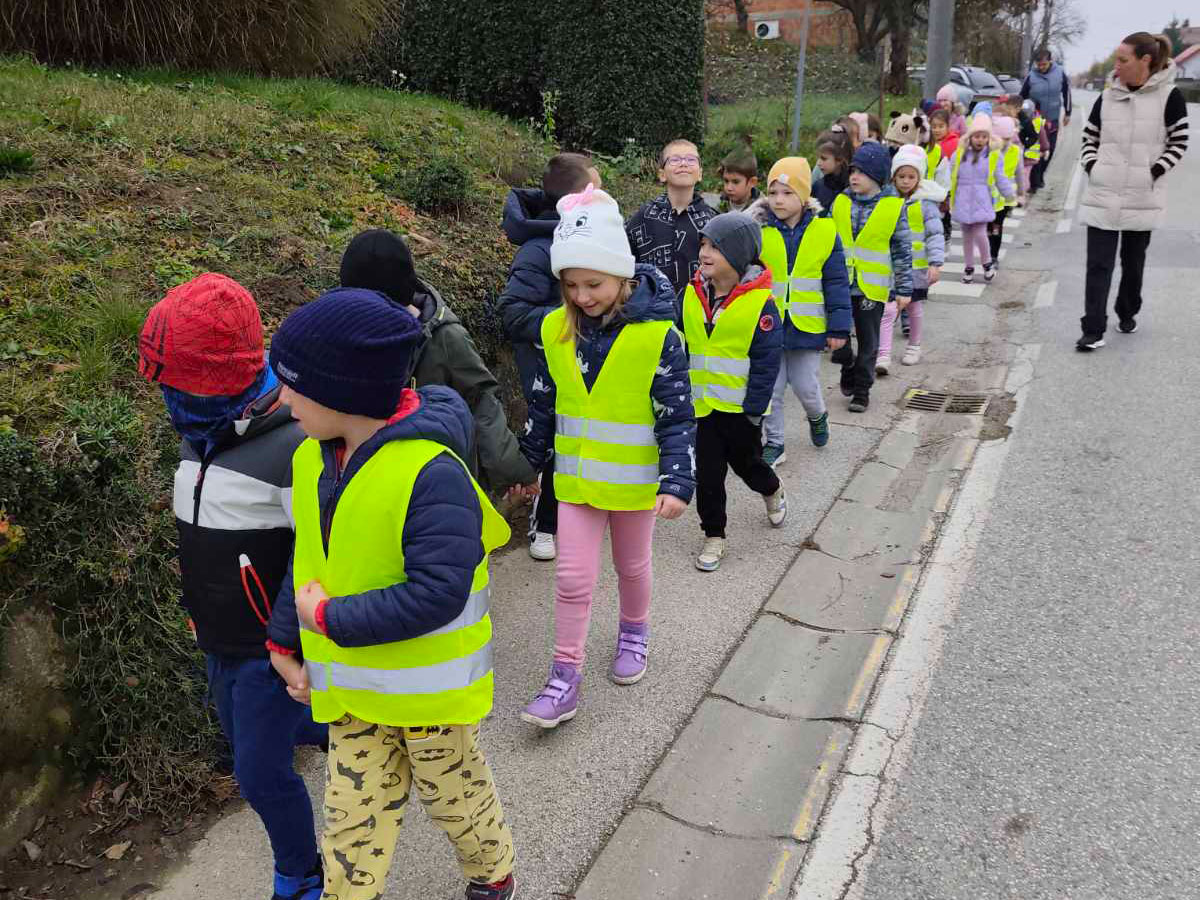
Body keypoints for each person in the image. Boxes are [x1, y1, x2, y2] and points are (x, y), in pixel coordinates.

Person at [266, 288, 517, 900]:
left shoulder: (432, 473)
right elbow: (308, 560)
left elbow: (439, 593)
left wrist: (325, 619)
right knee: (350, 824)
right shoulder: (310, 460)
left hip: (430, 700)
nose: (281, 399)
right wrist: (284, 638)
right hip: (354, 693)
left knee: (453, 796)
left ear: (345, 391)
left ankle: (492, 873)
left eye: (294, 385)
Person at [137, 274, 327, 900]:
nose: (166, 397)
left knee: (260, 775)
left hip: (268, 650)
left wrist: (286, 639)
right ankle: (337, 726)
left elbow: (315, 555)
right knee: (256, 736)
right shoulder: (201, 435)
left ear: (217, 382)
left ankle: (300, 876)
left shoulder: (293, 447)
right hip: (218, 637)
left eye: (175, 384)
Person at [520, 186, 695, 728]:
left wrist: (677, 479)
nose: (582, 296)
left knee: (632, 566)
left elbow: (677, 414)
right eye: (570, 286)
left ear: (623, 276)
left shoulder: (659, 337)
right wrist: (527, 463)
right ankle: (564, 676)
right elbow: (544, 402)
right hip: (573, 483)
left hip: (636, 485)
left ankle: (634, 632)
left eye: (593, 283)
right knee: (572, 579)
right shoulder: (555, 330)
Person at [339, 229, 536, 496]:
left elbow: (482, 401)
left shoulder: (445, 337)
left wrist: (512, 470)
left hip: (437, 480)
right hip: (371, 478)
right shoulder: (344, 334)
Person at [498, 152, 600, 561]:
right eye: (597, 187)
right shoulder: (539, 250)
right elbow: (513, 313)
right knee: (553, 442)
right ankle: (545, 524)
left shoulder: (592, 241)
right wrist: (571, 319)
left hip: (585, 362)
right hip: (545, 367)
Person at [683, 212, 787, 572]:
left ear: (740, 255)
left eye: (716, 247)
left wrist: (755, 409)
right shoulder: (691, 294)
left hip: (740, 410)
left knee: (748, 465)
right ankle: (714, 535)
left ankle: (772, 489)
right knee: (708, 474)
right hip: (702, 408)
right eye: (703, 245)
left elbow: (766, 362)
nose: (705, 253)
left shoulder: (761, 305)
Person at [1077, 32, 1189, 352]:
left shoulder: (1170, 96)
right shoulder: (1108, 95)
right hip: (1104, 190)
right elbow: (1090, 137)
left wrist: (1152, 171)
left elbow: (1179, 142)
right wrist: (1091, 166)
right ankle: (1093, 329)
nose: (1117, 65)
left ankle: (1127, 311)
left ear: (1145, 61)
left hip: (1142, 194)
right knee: (1098, 264)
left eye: (1123, 60)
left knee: (1133, 263)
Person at [751, 157, 851, 466]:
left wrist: (838, 328)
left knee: (806, 386)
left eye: (788, 192)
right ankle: (776, 443)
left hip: (807, 326)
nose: (779, 199)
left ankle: (817, 415)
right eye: (773, 192)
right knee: (773, 389)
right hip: (769, 325)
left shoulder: (825, 231)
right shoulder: (759, 230)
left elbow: (836, 282)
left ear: (805, 196)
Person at [830, 142, 913, 413]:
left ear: (877, 176)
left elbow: (902, 249)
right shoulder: (840, 202)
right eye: (853, 170)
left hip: (872, 288)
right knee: (836, 335)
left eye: (862, 172)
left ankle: (862, 390)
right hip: (840, 284)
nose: (854, 176)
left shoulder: (893, 207)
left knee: (869, 341)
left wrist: (904, 288)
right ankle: (847, 364)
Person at [878, 146, 946, 373]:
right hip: (892, 267)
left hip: (917, 269)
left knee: (913, 307)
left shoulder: (926, 204)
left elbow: (935, 234)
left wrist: (935, 263)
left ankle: (914, 346)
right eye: (901, 176)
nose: (906, 181)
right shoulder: (887, 201)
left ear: (919, 177)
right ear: (893, 177)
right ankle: (883, 353)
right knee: (888, 310)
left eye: (911, 177)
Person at [626, 138, 716, 298]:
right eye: (674, 159)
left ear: (700, 173)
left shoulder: (712, 220)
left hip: (699, 309)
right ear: (662, 174)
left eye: (691, 159)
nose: (683, 163)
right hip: (652, 308)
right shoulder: (643, 217)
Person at [949, 113, 1015, 284]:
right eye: (977, 136)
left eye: (984, 136)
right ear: (970, 136)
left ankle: (986, 263)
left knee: (979, 233)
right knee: (966, 236)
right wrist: (946, 193)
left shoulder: (993, 155)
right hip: (963, 200)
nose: (980, 140)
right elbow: (950, 174)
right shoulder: (959, 154)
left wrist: (1009, 194)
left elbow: (1000, 177)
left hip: (982, 200)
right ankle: (969, 267)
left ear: (988, 138)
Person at [1021, 48, 1072, 192]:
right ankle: (1035, 181)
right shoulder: (1031, 76)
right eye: (1039, 64)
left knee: (1051, 149)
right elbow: (1022, 95)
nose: (1041, 67)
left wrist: (1068, 113)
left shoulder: (1060, 73)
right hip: (1036, 119)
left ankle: (1041, 175)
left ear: (1050, 61)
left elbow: (1067, 92)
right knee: (1036, 150)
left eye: (1044, 64)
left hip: (1053, 118)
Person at [988, 116, 1023, 262]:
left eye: (1007, 139)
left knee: (997, 226)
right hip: (988, 197)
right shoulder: (988, 151)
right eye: (1001, 138)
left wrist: (1021, 192)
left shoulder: (1016, 151)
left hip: (1005, 198)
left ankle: (994, 255)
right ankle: (988, 251)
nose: (1004, 142)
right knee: (987, 228)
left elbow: (1020, 173)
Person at [811, 129, 853, 214]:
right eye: (818, 158)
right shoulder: (818, 187)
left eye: (824, 159)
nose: (818, 163)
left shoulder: (853, 188)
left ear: (840, 159)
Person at [712, 147, 761, 213]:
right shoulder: (716, 210)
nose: (729, 188)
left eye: (735, 182)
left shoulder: (763, 211)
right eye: (726, 181)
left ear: (752, 182)